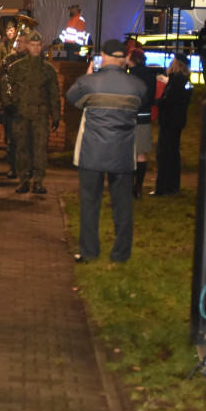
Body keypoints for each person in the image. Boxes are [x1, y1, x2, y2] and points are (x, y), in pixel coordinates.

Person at [66, 39, 146, 263]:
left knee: (90, 204)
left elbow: (72, 98)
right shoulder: (137, 85)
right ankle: (121, 254)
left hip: (91, 153)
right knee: (123, 205)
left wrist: (90, 74)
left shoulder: (87, 83)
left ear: (102, 57)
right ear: (125, 60)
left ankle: (89, 252)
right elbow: (142, 102)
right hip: (122, 154)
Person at [6, 31, 61, 195]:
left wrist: (56, 114)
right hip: (21, 115)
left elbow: (54, 94)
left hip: (40, 116)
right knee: (22, 148)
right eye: (32, 45)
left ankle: (38, 181)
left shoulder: (48, 70)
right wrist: (9, 104)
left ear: (41, 46)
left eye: (38, 45)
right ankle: (23, 180)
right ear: (27, 46)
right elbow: (6, 86)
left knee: (39, 149)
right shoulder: (16, 67)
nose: (35, 48)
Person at [152, 54, 193, 196]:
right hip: (178, 120)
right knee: (174, 153)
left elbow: (169, 100)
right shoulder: (187, 81)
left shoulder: (176, 80)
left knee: (164, 153)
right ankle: (173, 186)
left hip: (169, 120)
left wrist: (157, 102)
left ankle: (162, 187)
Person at [0, 29, 29, 179]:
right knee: (12, 139)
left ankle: (26, 168)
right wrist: (1, 102)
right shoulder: (7, 59)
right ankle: (13, 167)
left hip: (26, 107)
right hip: (9, 107)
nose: (19, 44)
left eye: (22, 41)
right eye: (18, 41)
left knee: (26, 139)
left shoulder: (32, 61)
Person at [126, 48, 157, 198]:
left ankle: (129, 186)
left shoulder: (130, 76)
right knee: (141, 154)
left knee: (130, 153)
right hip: (145, 117)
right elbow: (151, 97)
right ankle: (139, 187)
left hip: (131, 117)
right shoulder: (151, 76)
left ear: (132, 60)